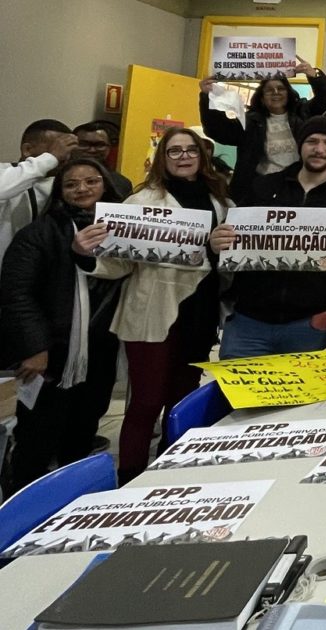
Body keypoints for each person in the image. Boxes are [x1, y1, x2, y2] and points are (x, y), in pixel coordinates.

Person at [70, 128, 230, 483]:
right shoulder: (140, 202)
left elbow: (228, 260)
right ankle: (130, 476)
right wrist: (85, 253)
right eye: (175, 151)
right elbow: (119, 263)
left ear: (202, 156)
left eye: (191, 150)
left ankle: (168, 471)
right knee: (145, 402)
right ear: (163, 158)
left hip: (199, 311)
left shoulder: (222, 201)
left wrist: (224, 250)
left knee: (182, 399)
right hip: (150, 311)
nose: (184, 156)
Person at [0, 158, 123, 491]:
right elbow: (16, 294)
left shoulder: (125, 233)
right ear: (59, 192)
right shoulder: (39, 233)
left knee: (82, 431)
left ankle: (69, 503)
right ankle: (21, 507)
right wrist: (34, 348)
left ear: (106, 185)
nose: (81, 189)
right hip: (51, 354)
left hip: (99, 350)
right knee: (37, 438)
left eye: (91, 181)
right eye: (71, 184)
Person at [210, 118, 326, 359]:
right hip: (249, 321)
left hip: (311, 324)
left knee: (304, 398)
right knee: (237, 396)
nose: (319, 149)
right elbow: (231, 235)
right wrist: (217, 242)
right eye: (312, 141)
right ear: (300, 146)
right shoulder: (264, 186)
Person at [199, 62, 326, 204]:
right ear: (261, 98)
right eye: (269, 90)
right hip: (259, 191)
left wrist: (314, 75)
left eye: (281, 88)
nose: (275, 92)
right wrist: (207, 96)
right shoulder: (250, 122)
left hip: (299, 188)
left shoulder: (304, 114)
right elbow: (218, 130)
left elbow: (324, 99)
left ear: (289, 93)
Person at [1, 119, 78, 274]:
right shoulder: (6, 173)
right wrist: (51, 158)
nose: (64, 157)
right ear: (27, 149)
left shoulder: (68, 184)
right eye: (57, 149)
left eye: (67, 151)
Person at [72, 122, 132, 198]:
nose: (92, 150)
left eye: (99, 145)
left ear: (109, 147)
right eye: (84, 144)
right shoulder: (56, 178)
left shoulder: (121, 183)